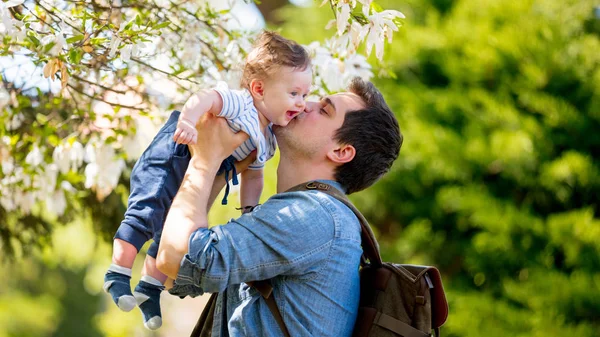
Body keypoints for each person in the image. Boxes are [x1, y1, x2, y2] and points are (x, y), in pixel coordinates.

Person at [155, 77, 403, 336]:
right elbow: (174, 273)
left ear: (341, 152)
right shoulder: (306, 214)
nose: (305, 105)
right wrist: (219, 170)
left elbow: (175, 258)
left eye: (324, 110)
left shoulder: (312, 215)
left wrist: (205, 159)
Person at [102, 31, 312, 330]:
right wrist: (188, 121)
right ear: (259, 88)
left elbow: (254, 174)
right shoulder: (241, 103)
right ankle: (118, 273)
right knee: (149, 209)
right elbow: (205, 97)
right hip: (176, 150)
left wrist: (250, 212)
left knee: (172, 231)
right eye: (294, 94)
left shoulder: (268, 140)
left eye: (305, 95)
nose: (302, 103)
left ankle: (150, 288)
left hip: (205, 168)